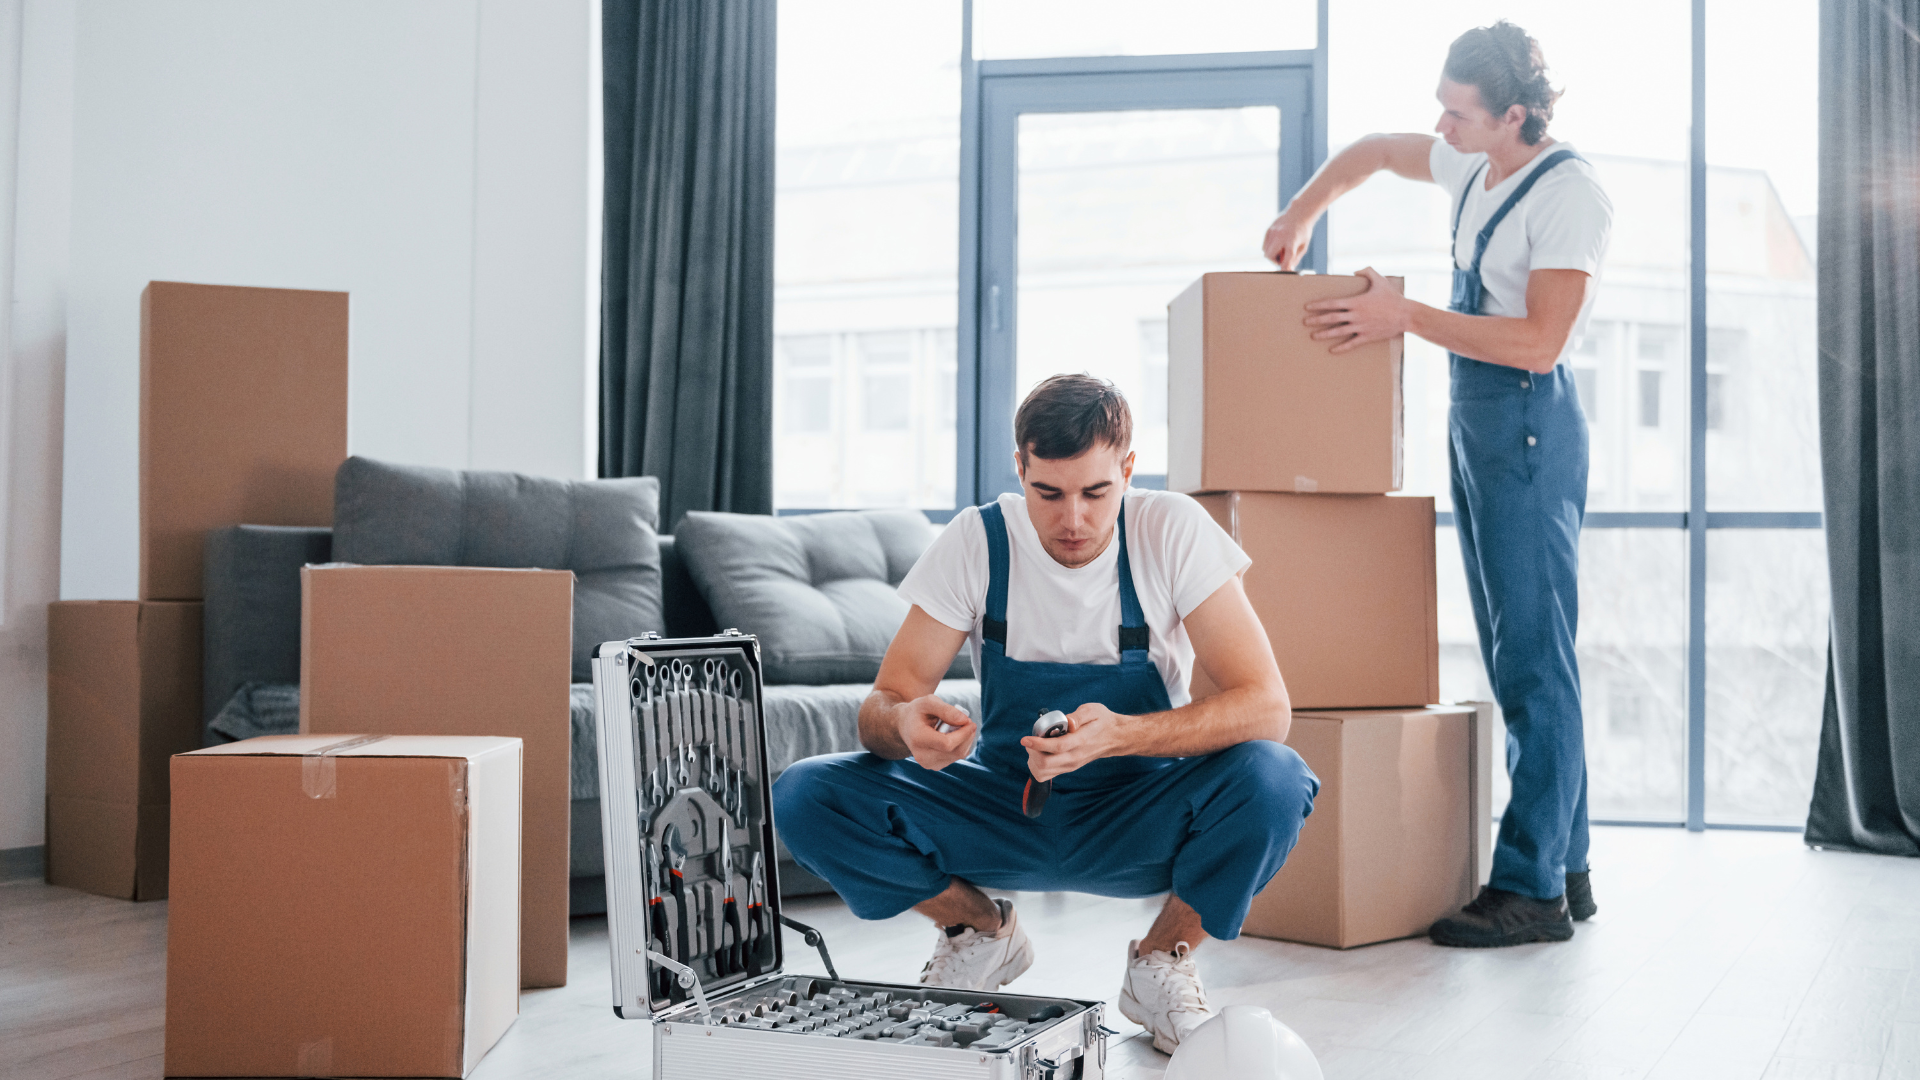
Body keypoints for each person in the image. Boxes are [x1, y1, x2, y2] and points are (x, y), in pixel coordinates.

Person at [773, 374, 1319, 1054]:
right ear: (1020, 469)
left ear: (1127, 470)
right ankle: (977, 931)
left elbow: (1268, 705)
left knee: (1274, 779)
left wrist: (1125, 735)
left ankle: (1160, 960)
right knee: (804, 795)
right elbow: (881, 707)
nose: (1073, 521)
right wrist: (907, 725)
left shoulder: (1171, 530)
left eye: (1096, 493)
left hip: (1138, 811)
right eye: (1048, 493)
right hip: (1003, 804)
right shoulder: (976, 541)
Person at [1260, 21, 1612, 948]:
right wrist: (1300, 214)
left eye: (1459, 114)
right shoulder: (1469, 164)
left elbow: (1540, 341)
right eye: (1442, 108)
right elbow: (1374, 153)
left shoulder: (1569, 195)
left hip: (1530, 423)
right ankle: (1567, 864)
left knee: (1536, 658)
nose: (1441, 126)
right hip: (1477, 420)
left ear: (1514, 116)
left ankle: (1532, 885)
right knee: (1515, 653)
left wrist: (1400, 315)